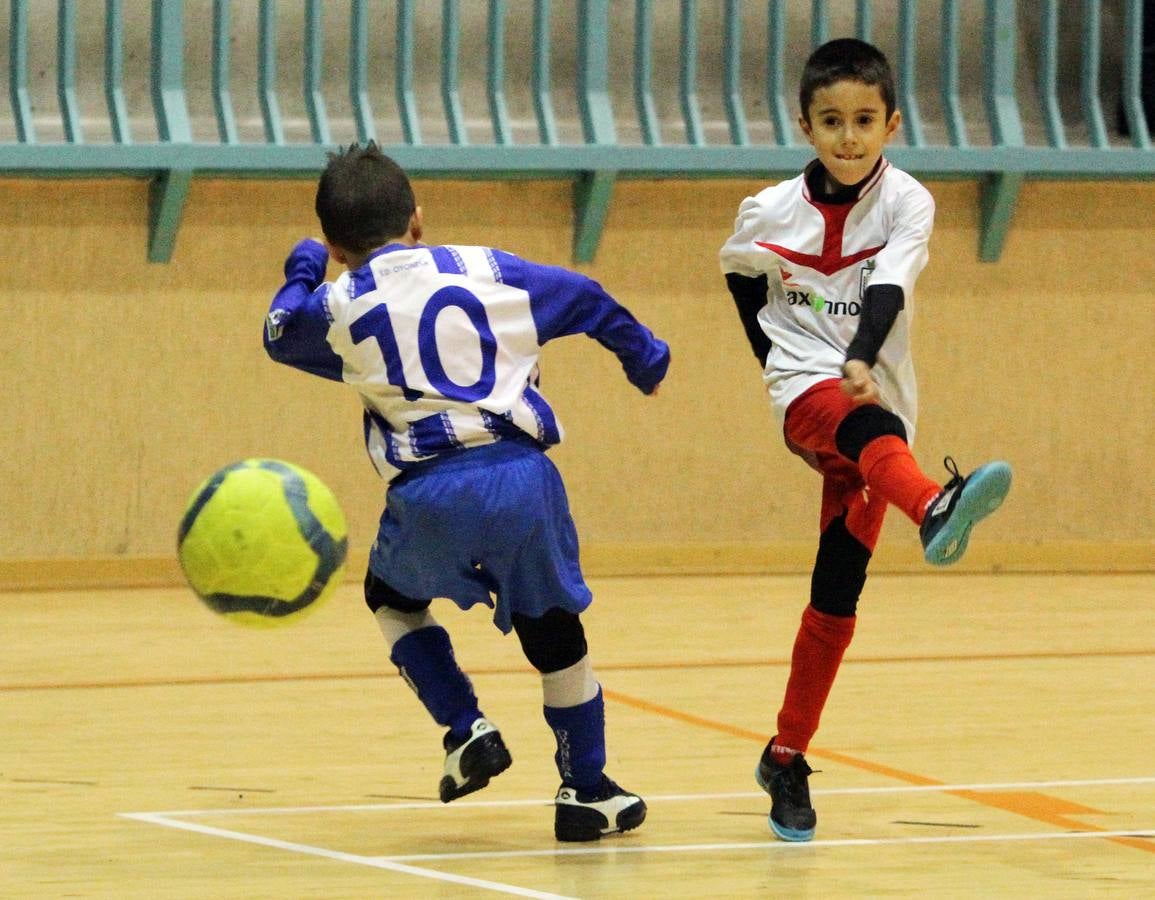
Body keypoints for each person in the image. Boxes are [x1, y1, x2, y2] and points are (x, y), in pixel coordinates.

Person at [264, 143, 668, 842]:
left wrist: (301, 269)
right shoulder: (493, 270)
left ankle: (464, 726)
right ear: (418, 221)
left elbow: (279, 332)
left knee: (389, 598)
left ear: (335, 246)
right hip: (520, 479)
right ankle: (585, 789)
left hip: (426, 491)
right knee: (554, 633)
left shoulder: (337, 303)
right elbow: (588, 300)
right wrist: (643, 356)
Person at [719, 38, 1012, 842]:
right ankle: (935, 508)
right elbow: (740, 277)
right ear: (806, 127)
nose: (847, 138)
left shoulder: (908, 201)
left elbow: (888, 283)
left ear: (890, 124)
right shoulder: (766, 210)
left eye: (862, 121)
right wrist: (774, 360)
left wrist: (858, 354)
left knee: (835, 594)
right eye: (830, 122)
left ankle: (784, 754)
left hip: (873, 392)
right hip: (810, 390)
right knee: (868, 428)